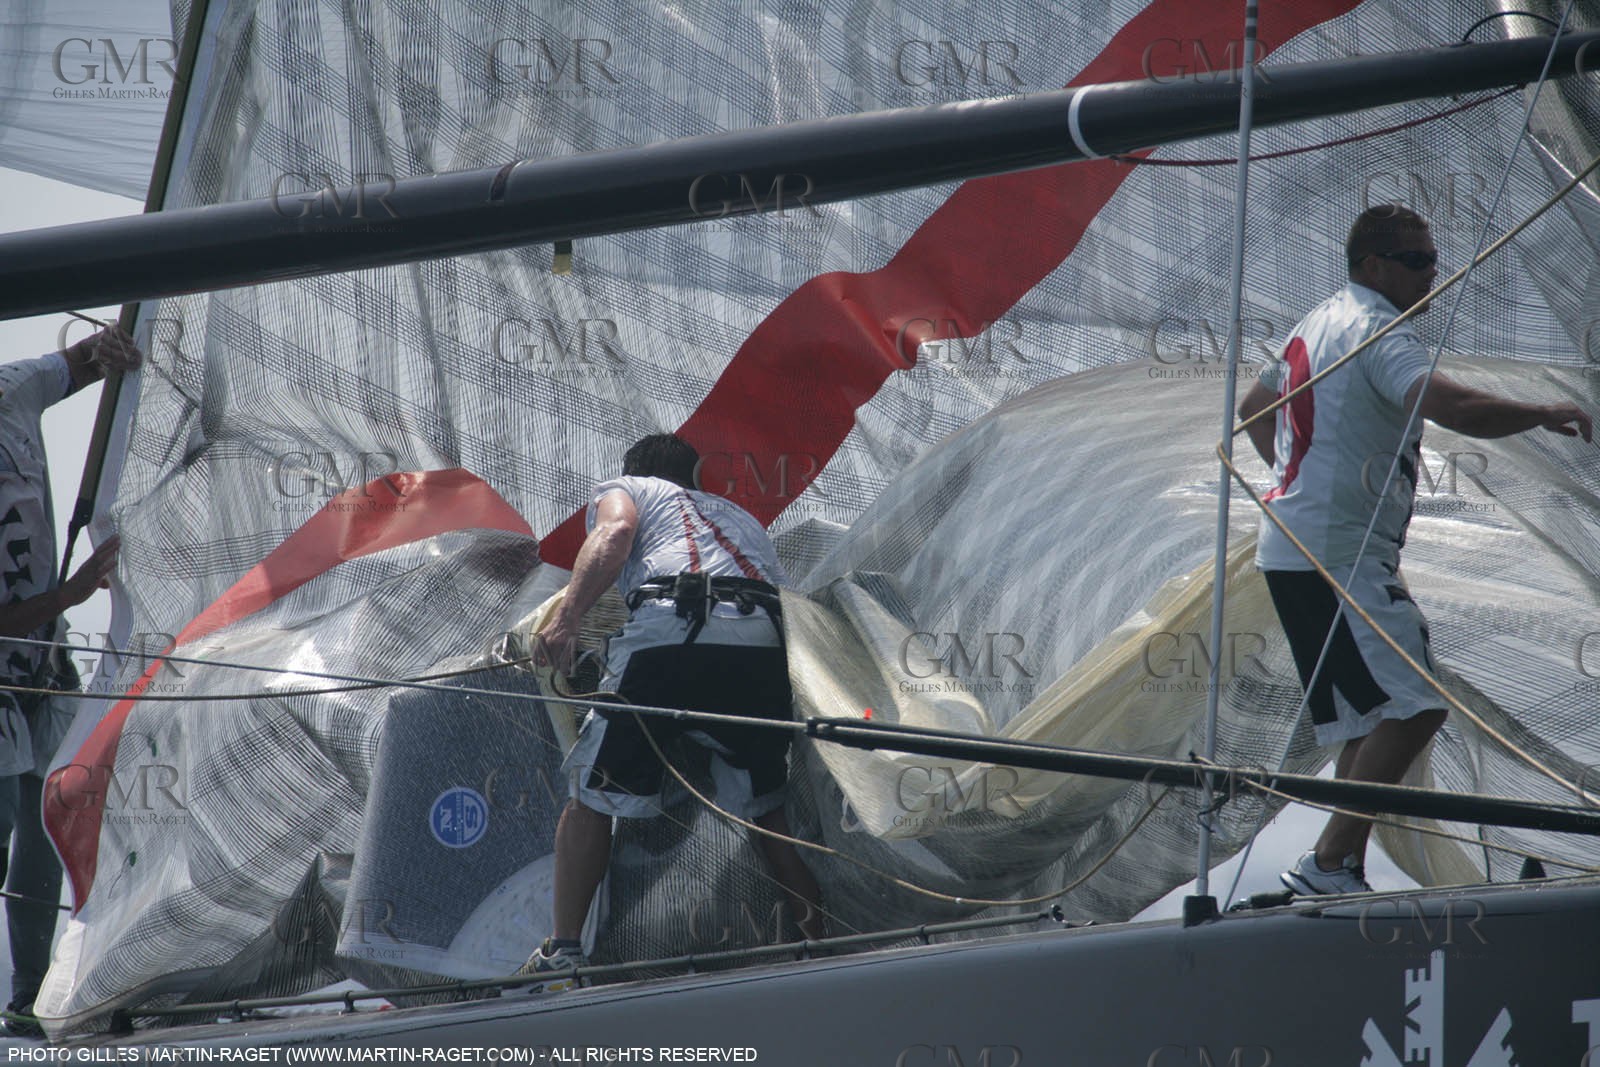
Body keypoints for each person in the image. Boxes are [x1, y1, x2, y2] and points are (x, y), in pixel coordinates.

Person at [1236, 205, 1591, 896]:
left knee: (1365, 718)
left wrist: (1294, 484)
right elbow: (1456, 409)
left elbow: (1255, 409)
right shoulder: (1379, 329)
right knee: (1416, 704)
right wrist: (1544, 412)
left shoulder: (1319, 319)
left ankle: (1337, 872)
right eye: (1417, 261)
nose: (1434, 274)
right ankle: (1328, 865)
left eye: (1434, 260)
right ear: (1372, 266)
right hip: (1340, 556)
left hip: (1289, 550)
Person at [520, 433, 825, 987]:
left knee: (590, 795)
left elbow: (614, 533)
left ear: (635, 471)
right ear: (694, 477)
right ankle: (820, 946)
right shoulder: (742, 518)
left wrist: (566, 620)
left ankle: (563, 954)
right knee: (766, 815)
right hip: (760, 648)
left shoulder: (628, 488)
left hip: (674, 635)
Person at [0, 323, 140, 1034]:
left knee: (56, 825)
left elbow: (79, 364)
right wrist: (70, 594)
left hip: (48, 667)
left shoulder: (13, 389)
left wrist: (109, 350)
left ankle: (33, 994)